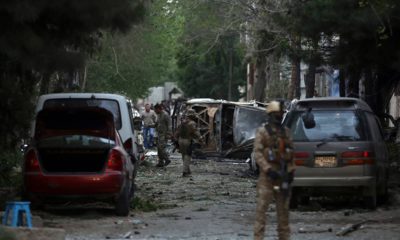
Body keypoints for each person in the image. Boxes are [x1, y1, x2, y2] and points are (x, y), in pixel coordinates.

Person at [253, 100, 295, 240]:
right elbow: (257, 154)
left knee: (283, 216)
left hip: (282, 176)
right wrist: (268, 169)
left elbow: (291, 154)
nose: (279, 117)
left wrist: (290, 172)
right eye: (276, 114)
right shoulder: (263, 132)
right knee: (261, 214)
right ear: (270, 115)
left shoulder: (286, 133)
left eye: (280, 114)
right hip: (267, 178)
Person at [174, 109, 203, 177]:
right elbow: (196, 132)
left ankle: (188, 170)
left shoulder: (182, 122)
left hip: (180, 140)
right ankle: (185, 172)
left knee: (184, 155)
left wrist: (176, 140)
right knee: (188, 155)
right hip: (187, 141)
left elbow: (177, 132)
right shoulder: (192, 123)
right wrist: (201, 139)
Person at [154, 103, 172, 167]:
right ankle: (160, 162)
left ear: (158, 109)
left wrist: (169, 134)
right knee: (159, 148)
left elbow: (169, 125)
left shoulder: (165, 115)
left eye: (155, 110)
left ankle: (167, 159)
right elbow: (157, 123)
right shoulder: (159, 115)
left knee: (162, 148)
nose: (155, 111)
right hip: (159, 134)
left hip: (164, 134)